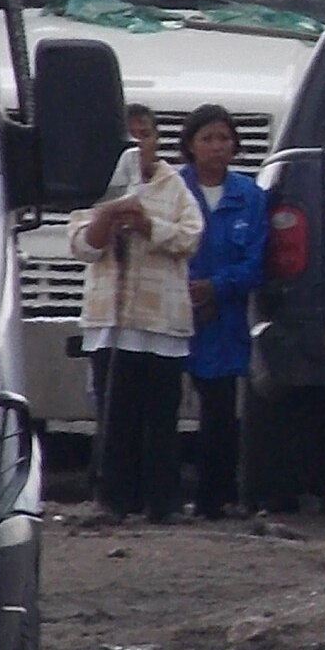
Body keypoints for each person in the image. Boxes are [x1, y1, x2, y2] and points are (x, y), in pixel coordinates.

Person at [71, 104, 205, 523]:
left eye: (144, 135)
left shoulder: (174, 186)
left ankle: (162, 502)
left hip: (161, 320)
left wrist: (149, 226)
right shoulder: (96, 186)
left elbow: (190, 237)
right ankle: (112, 500)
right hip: (110, 321)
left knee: (160, 416)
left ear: (156, 140)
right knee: (114, 415)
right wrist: (108, 217)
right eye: (129, 136)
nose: (137, 144)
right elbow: (80, 246)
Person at [179, 104, 268, 519]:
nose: (217, 147)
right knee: (160, 410)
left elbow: (256, 262)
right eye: (207, 138)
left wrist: (216, 288)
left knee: (219, 411)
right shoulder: (174, 190)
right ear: (190, 145)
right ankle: (156, 495)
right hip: (172, 316)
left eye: (224, 138)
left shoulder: (249, 196)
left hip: (225, 319)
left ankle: (217, 497)